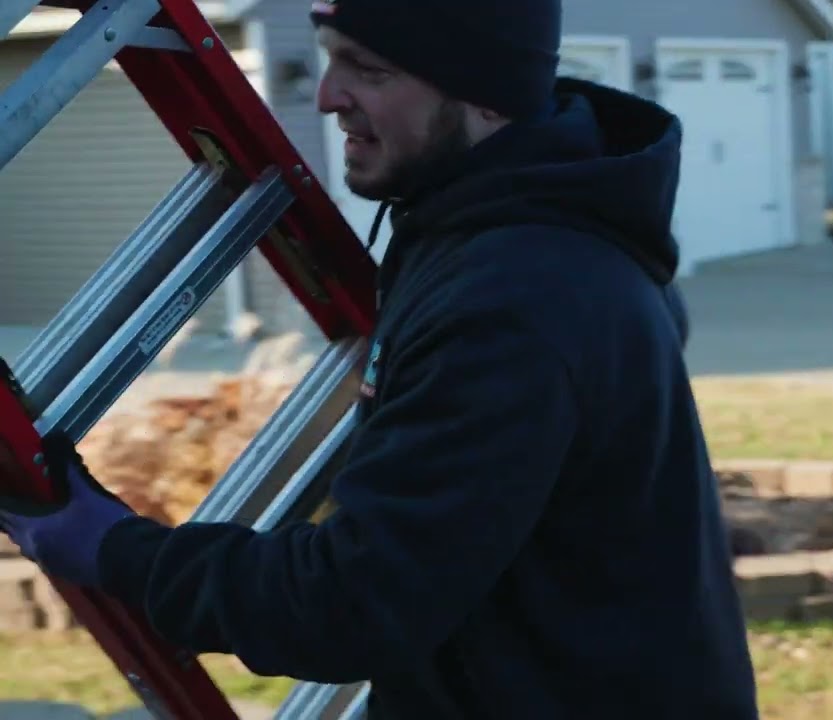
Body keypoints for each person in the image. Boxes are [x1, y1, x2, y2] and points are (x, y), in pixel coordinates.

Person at [0, 0, 761, 717]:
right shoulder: (506, 228)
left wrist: (115, 550)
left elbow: (352, 603)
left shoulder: (515, 300)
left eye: (371, 68)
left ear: (484, 93)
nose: (329, 97)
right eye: (333, 61)